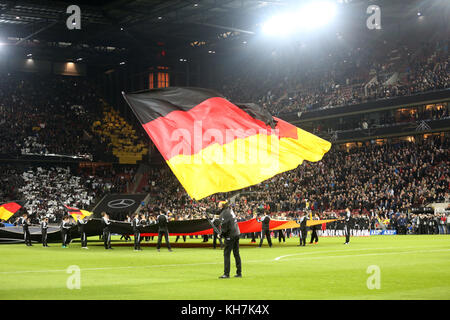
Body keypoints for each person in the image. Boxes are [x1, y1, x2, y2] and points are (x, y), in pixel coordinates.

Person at [215, 200, 242, 279]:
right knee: (236, 253)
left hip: (230, 235)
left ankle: (226, 273)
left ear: (222, 206)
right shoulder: (229, 210)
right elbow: (217, 212)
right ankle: (239, 272)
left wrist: (220, 234)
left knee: (227, 254)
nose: (218, 206)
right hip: (236, 233)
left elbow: (224, 227)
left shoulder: (224, 213)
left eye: (219, 205)